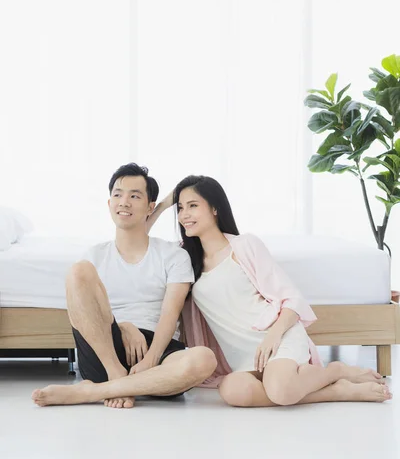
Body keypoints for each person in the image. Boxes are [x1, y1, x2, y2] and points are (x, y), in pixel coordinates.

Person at [158, 174, 391, 407]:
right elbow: (137, 234)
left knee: (279, 390)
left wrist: (273, 336)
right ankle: (326, 388)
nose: (184, 215)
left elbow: (292, 300)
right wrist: (163, 205)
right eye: (180, 208)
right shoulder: (183, 259)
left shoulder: (243, 246)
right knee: (232, 390)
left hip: (276, 339)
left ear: (215, 208)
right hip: (243, 358)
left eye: (193, 206)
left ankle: (334, 374)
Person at [31, 164, 216, 408]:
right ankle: (117, 375)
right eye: (118, 195)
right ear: (109, 204)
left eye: (134, 195)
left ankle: (93, 392)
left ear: (150, 207)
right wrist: (123, 327)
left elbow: (170, 314)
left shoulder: (173, 255)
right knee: (78, 271)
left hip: (157, 349)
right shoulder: (94, 256)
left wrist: (150, 360)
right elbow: (87, 311)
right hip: (105, 348)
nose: (124, 202)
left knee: (204, 359)